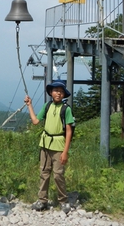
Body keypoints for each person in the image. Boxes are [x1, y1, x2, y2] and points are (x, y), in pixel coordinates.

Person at [24, 81, 74, 214]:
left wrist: (65, 152)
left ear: (64, 94)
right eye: (56, 90)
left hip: (59, 145)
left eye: (61, 91)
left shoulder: (66, 109)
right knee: (44, 173)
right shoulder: (47, 106)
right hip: (45, 143)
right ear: (51, 93)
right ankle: (42, 200)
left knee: (58, 175)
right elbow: (35, 121)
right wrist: (30, 105)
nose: (58, 93)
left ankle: (63, 201)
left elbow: (69, 131)